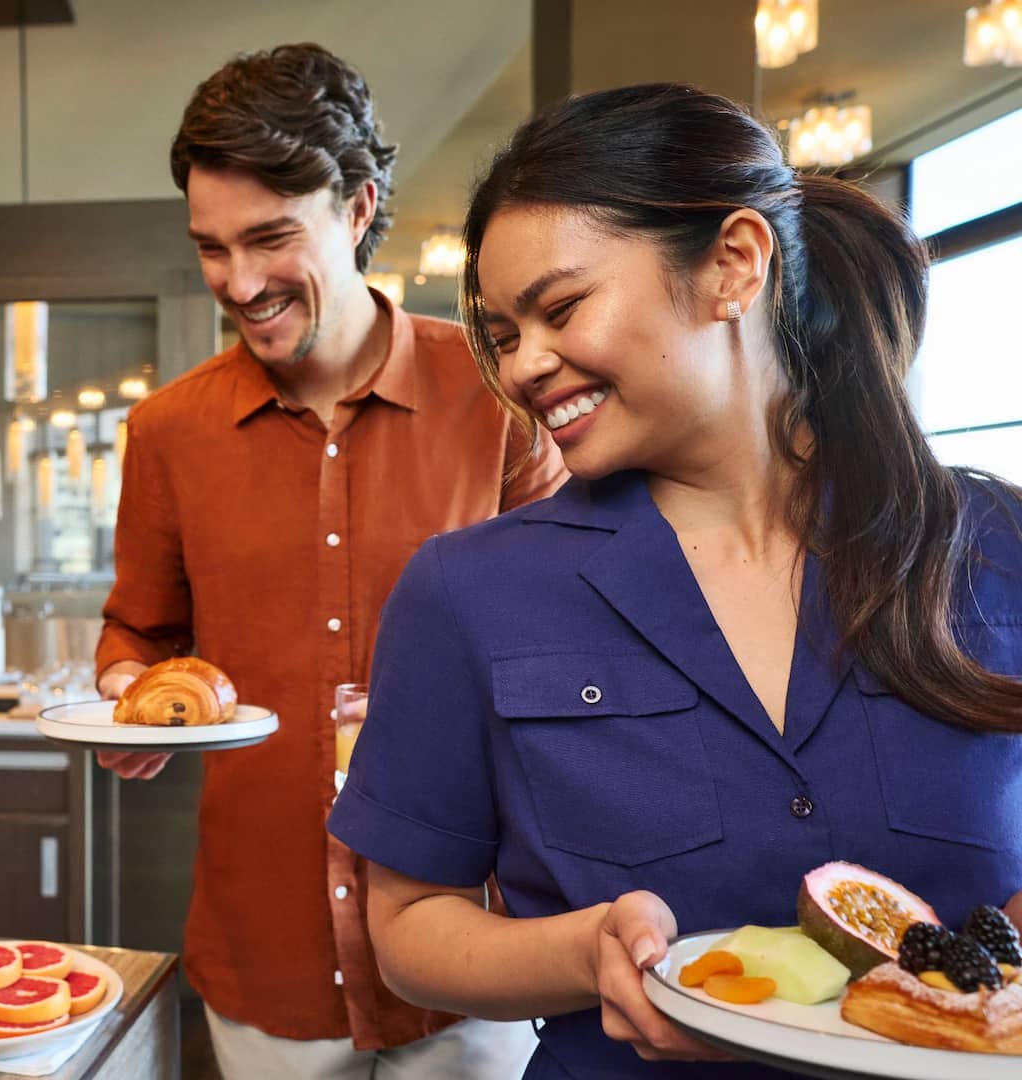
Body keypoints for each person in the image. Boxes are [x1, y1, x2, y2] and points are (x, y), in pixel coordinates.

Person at [328, 82, 1022, 1079]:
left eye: (559, 308)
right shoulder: (468, 592)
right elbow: (409, 926)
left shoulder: (993, 547)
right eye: (503, 333)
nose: (523, 366)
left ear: (734, 264)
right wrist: (582, 952)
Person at [97, 43, 564, 1079]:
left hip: (474, 945)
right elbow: (138, 629)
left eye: (270, 238)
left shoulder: (499, 395)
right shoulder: (167, 431)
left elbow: (579, 625)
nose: (240, 283)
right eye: (212, 249)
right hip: (265, 958)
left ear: (356, 208)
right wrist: (128, 694)